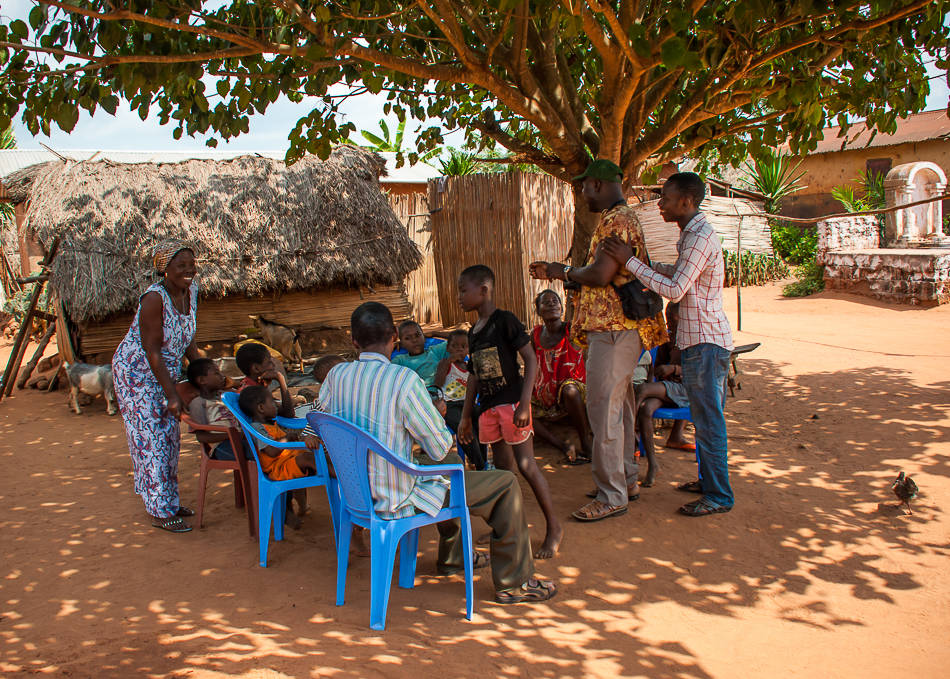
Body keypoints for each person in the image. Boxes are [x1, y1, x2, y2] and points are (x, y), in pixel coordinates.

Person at [318, 301, 556, 604]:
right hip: (396, 496)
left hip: (357, 495)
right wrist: (439, 411)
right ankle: (515, 583)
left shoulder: (335, 377)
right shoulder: (403, 381)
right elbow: (440, 443)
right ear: (393, 336)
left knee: (449, 463)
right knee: (505, 484)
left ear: (353, 341)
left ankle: (455, 555)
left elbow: (316, 421)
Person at [529, 160, 667, 523]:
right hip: (617, 329)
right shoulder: (616, 218)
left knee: (603, 412)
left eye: (585, 187)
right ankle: (625, 481)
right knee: (618, 410)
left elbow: (603, 273)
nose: (582, 193)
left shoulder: (618, 221)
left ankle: (611, 495)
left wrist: (563, 271)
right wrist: (573, 276)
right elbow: (603, 275)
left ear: (599, 184)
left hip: (615, 330)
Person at [602, 171, 735, 517]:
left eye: (666, 198)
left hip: (706, 342)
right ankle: (710, 483)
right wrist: (643, 265)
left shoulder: (699, 237)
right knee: (705, 419)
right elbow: (679, 273)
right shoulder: (692, 235)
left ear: (686, 202)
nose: (660, 204)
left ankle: (719, 495)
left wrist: (630, 262)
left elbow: (675, 289)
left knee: (708, 422)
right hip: (698, 342)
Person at [456, 265, 563, 559]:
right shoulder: (474, 332)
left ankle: (554, 527)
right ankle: (508, 526)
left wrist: (526, 404)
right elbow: (474, 376)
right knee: (503, 473)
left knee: (527, 466)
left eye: (464, 290)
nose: (460, 297)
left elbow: (531, 361)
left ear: (484, 290)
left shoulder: (505, 321)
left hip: (513, 405)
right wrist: (467, 416)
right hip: (489, 410)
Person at [112, 241, 202, 533]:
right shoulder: (153, 299)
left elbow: (188, 337)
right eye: (181, 266)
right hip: (137, 374)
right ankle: (160, 511)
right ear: (164, 269)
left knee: (170, 437)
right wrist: (171, 393)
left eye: (191, 264)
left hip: (164, 372)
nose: (189, 271)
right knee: (151, 438)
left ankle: (169, 502)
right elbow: (152, 350)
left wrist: (201, 372)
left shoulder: (192, 291)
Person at [530, 289, 592, 466]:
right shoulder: (535, 335)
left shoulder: (571, 330)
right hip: (545, 395)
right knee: (519, 409)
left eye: (555, 301)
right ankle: (562, 445)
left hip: (573, 390)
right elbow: (534, 364)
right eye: (545, 302)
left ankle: (586, 443)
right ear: (538, 310)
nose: (551, 304)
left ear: (561, 308)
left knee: (570, 390)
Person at [239, 385, 316, 526]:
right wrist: (287, 438)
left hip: (287, 463)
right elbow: (271, 451)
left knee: (312, 456)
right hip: (277, 469)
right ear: (261, 408)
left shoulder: (271, 423)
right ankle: (341, 478)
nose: (276, 405)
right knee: (308, 458)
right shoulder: (257, 428)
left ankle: (303, 507)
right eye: (273, 402)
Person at [634, 302, 692, 488]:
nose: (670, 323)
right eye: (668, 319)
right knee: (646, 408)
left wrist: (674, 368)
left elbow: (697, 372)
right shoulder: (668, 339)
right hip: (667, 388)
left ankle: (629, 437)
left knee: (641, 391)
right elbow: (655, 366)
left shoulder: (692, 339)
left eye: (674, 319)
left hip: (684, 390)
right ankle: (653, 464)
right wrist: (656, 375)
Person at [434, 329, 487, 470]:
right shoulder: (445, 363)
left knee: (482, 421)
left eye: (464, 347)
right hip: (450, 405)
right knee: (462, 426)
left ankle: (481, 460)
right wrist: (448, 362)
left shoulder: (471, 367)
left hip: (469, 405)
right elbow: (438, 383)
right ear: (448, 348)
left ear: (469, 349)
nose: (459, 349)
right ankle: (480, 464)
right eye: (454, 346)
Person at [186, 358, 239, 460]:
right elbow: (201, 437)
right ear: (202, 380)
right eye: (217, 373)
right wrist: (232, 435)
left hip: (238, 440)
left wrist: (236, 385)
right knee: (258, 453)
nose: (222, 376)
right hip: (221, 447)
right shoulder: (198, 403)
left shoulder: (224, 396)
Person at [234, 342, 294, 417]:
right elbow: (288, 414)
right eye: (269, 362)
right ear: (256, 368)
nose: (273, 365)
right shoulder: (253, 393)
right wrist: (280, 379)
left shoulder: (256, 385)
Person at [392, 320, 448, 387]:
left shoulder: (434, 351)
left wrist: (434, 333)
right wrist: (392, 346)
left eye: (418, 335)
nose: (414, 340)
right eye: (407, 338)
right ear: (402, 344)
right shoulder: (400, 360)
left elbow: (461, 338)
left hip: (441, 393)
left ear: (424, 337)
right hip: (417, 395)